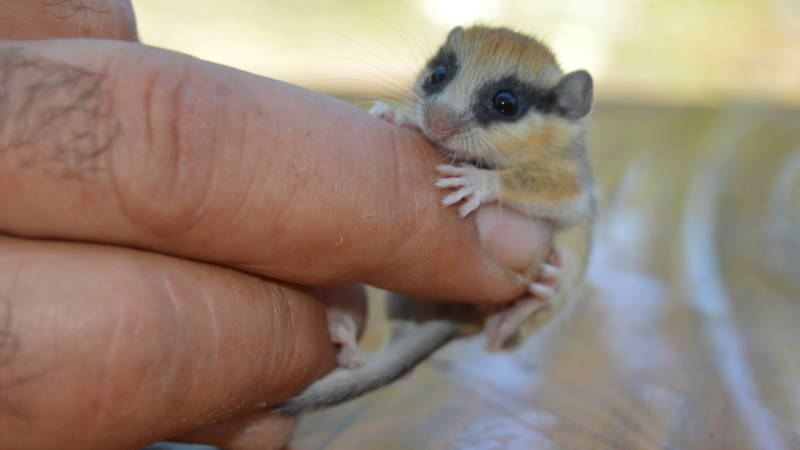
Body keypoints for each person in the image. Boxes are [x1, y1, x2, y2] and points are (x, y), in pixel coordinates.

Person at [0, 1, 551, 448]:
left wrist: (498, 188)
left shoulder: (548, 162)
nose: (441, 117)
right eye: (438, 79)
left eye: (499, 104)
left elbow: (562, 200)